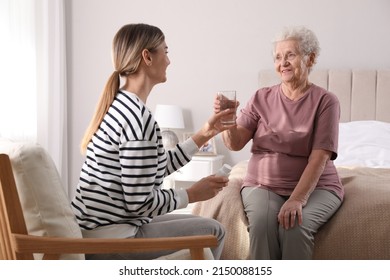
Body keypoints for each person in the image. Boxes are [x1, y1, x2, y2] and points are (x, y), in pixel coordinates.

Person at [71, 23, 234, 260]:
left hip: (101, 232)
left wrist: (206, 133)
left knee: (202, 222)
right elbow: (140, 203)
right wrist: (192, 194)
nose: (169, 61)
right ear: (147, 56)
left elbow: (151, 169)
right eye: (165, 52)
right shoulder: (138, 118)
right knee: (214, 231)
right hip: (113, 241)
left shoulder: (119, 105)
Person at [215, 26, 344, 259]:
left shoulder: (326, 102)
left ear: (310, 58)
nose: (283, 62)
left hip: (318, 188)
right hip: (263, 184)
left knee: (295, 226)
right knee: (263, 226)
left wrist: (297, 199)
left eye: (290, 55)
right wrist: (227, 122)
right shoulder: (260, 97)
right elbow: (235, 144)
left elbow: (319, 158)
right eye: (278, 57)